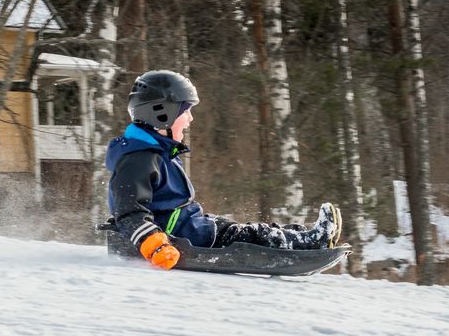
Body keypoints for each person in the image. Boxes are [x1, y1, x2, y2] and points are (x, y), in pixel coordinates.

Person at [104, 69, 340, 270]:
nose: (190, 119)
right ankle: (310, 242)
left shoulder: (155, 152)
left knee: (245, 231)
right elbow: (129, 211)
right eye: (184, 111)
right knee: (247, 236)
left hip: (191, 228)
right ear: (160, 113)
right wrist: (154, 244)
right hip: (182, 236)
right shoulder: (138, 159)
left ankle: (305, 238)